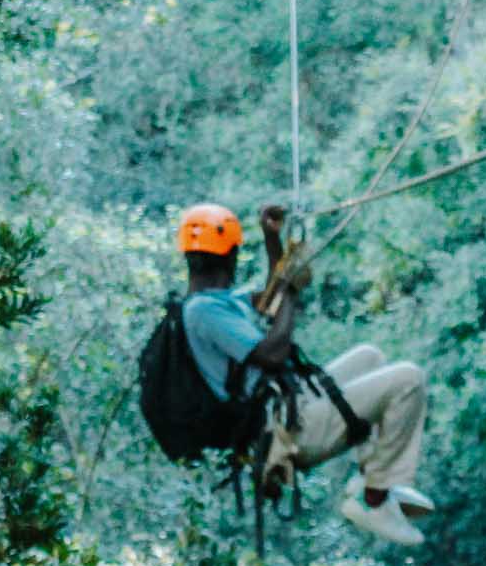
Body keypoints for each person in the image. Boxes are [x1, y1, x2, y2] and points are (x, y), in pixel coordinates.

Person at [177, 200, 433, 546]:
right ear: (231, 255)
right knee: (408, 379)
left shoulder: (216, 302)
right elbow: (273, 354)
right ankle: (374, 500)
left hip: (285, 405)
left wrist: (273, 241)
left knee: (370, 357)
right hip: (280, 434)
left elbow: (270, 298)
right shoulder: (204, 312)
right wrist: (293, 293)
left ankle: (374, 476)